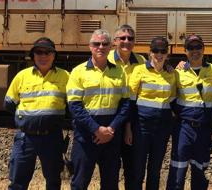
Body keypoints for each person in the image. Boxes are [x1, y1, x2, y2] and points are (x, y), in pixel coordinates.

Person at [66, 29, 130, 190]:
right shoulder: (78, 72)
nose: (100, 47)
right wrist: (96, 129)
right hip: (86, 136)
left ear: (110, 47)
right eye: (96, 44)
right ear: (90, 46)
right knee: (79, 183)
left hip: (111, 135)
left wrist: (111, 129)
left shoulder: (119, 72)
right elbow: (74, 106)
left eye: (105, 44)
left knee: (110, 184)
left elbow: (126, 104)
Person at [4, 37, 69, 190]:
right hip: (25, 138)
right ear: (33, 56)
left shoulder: (66, 76)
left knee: (53, 181)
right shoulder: (22, 76)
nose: (43, 56)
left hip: (52, 137)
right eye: (39, 52)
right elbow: (9, 103)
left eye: (48, 52)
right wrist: (27, 120)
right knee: (17, 183)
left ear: (54, 56)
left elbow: (73, 105)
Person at [166, 35, 212, 190]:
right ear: (185, 51)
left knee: (200, 171)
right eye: (191, 48)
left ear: (204, 49)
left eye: (198, 47)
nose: (195, 51)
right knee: (178, 170)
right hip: (183, 129)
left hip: (204, 129)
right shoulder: (177, 72)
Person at [128, 36, 177, 190]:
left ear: (167, 53)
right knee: (138, 169)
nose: (159, 54)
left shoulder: (172, 74)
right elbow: (130, 102)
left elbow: (173, 101)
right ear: (150, 52)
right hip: (141, 127)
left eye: (163, 51)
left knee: (155, 170)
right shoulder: (139, 70)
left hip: (162, 129)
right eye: (156, 50)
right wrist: (128, 128)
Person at [108, 24, 146, 190]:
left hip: (133, 117)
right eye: (122, 38)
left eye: (130, 38)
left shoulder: (142, 61)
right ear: (115, 41)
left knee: (134, 167)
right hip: (112, 117)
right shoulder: (106, 58)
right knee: (111, 167)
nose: (126, 41)